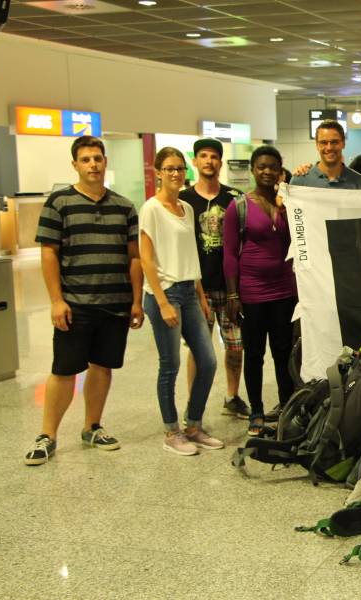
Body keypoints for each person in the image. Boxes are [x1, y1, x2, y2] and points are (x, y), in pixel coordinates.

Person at [25, 136, 143, 466]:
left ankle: (92, 426)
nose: (93, 164)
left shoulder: (124, 207)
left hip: (115, 302)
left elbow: (134, 257)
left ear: (106, 162)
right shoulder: (59, 202)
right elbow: (48, 253)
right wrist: (55, 300)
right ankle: (47, 435)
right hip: (75, 304)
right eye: (86, 159)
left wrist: (136, 301)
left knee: (102, 366)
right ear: (75, 164)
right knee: (64, 370)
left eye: (97, 158)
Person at [140, 147, 222, 456]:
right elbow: (146, 260)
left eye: (179, 168)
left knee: (209, 362)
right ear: (158, 172)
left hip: (190, 291)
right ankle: (171, 431)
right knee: (170, 365)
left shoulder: (187, 209)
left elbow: (191, 254)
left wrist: (200, 296)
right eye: (169, 168)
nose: (176, 173)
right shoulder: (151, 208)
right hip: (166, 293)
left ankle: (194, 425)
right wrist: (161, 302)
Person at [223, 146, 298, 436]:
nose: (267, 172)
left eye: (272, 167)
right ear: (254, 170)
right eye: (261, 167)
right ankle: (256, 411)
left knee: (283, 353)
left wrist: (287, 208)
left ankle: (284, 407)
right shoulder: (239, 207)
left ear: (280, 171)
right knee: (254, 354)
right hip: (252, 293)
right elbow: (229, 254)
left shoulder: (287, 205)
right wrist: (232, 295)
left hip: (284, 291)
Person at [178, 138, 248, 420]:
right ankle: (194, 404)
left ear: (220, 162)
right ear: (195, 161)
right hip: (197, 288)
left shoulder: (235, 198)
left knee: (236, 345)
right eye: (203, 156)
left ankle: (232, 396)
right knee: (198, 347)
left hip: (230, 286)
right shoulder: (183, 201)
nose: (209, 161)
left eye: (214, 156)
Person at [290, 120, 361, 190]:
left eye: (334, 142)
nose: (329, 147)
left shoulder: (360, 182)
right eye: (323, 142)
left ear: (343, 143)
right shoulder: (299, 181)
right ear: (317, 145)